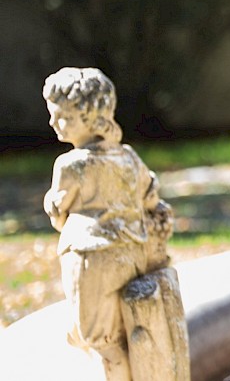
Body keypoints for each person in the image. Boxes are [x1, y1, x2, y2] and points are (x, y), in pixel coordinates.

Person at [43, 67, 161, 381]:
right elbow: (152, 197)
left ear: (88, 118)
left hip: (90, 261)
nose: (53, 123)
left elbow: (59, 216)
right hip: (131, 256)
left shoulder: (70, 164)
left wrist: (52, 206)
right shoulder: (130, 158)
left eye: (61, 116)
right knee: (119, 334)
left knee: (101, 341)